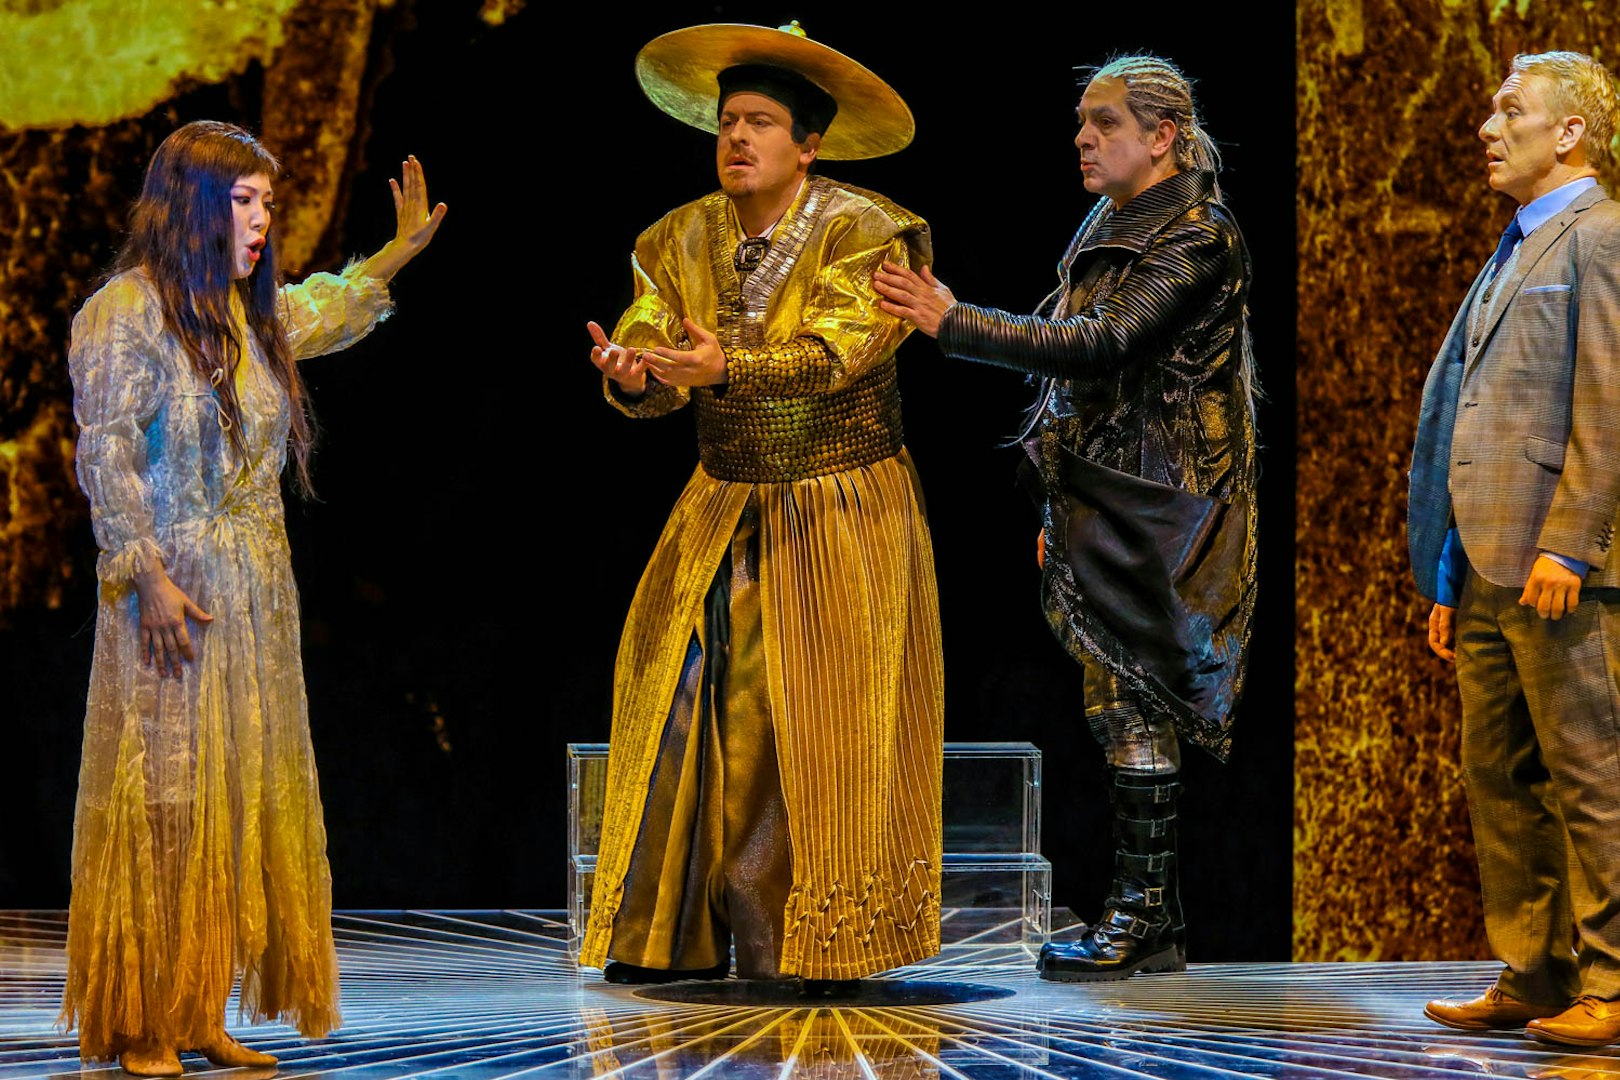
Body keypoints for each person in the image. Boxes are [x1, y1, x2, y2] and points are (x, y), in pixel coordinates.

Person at [61, 120, 445, 1076]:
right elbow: (105, 450)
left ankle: (198, 1004)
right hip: (170, 589)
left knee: (238, 794)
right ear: (194, 205)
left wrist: (396, 252)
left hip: (255, 590)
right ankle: (143, 1016)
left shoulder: (245, 314)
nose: (264, 221)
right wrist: (144, 573)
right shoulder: (125, 313)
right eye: (246, 201)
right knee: (167, 797)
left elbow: (328, 309)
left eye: (269, 202)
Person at [874, 54, 1257, 982]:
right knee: (1114, 700)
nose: (1084, 138)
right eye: (1082, 121)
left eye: (1105, 122)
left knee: (1139, 696)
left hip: (1165, 502)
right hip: (1109, 491)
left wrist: (951, 320)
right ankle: (1149, 917)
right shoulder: (1118, 217)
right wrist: (1061, 497)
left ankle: (1139, 914)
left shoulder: (1201, 234)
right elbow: (1083, 376)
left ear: (1162, 136)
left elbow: (1101, 343)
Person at [580, 21, 943, 986]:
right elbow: (653, 354)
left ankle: (808, 943)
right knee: (680, 697)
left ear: (808, 145)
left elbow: (838, 352)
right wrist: (633, 373)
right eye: (728, 122)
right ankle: (669, 933)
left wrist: (726, 364)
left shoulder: (872, 230)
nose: (737, 139)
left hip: (838, 511)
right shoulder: (677, 235)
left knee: (804, 720)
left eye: (761, 124)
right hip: (722, 501)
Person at [1410, 51, 1620, 1049]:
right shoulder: (1515, 244)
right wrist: (1449, 575)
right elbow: (1475, 419)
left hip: (1558, 569)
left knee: (1590, 779)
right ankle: (1536, 973)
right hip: (1489, 567)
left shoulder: (1604, 237)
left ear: (1570, 131)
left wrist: (1572, 547)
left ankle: (1612, 987)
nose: (1489, 128)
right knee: (1502, 781)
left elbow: (1608, 409)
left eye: (1510, 111)